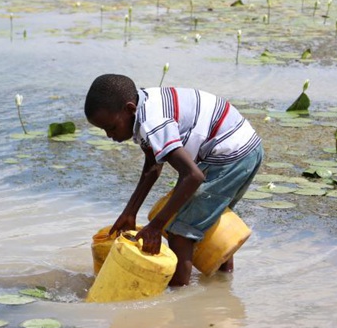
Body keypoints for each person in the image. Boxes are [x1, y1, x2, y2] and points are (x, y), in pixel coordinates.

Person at [84, 73, 263, 286]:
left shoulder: (152, 121)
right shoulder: (143, 107)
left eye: (112, 127)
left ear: (130, 109)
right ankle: (223, 283)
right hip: (244, 147)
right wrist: (130, 212)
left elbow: (193, 176)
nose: (109, 135)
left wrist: (156, 226)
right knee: (209, 219)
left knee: (178, 231)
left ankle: (179, 296)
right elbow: (153, 166)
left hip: (231, 154)